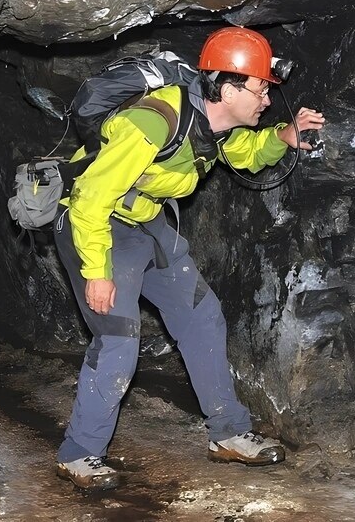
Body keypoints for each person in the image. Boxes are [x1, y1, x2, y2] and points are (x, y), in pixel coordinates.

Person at [52, 26, 325, 491]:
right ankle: (80, 455)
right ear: (227, 88)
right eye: (260, 90)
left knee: (203, 317)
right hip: (99, 226)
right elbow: (91, 198)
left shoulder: (216, 125)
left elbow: (246, 154)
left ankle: (229, 434)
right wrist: (96, 273)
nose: (265, 100)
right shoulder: (156, 119)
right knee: (118, 340)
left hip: (151, 225)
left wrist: (286, 136)